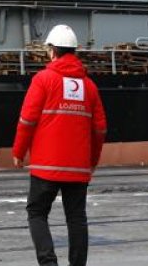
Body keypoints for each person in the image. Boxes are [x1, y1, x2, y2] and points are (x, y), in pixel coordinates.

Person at [13, 24, 107, 266]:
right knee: (76, 218)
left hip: (46, 166)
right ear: (74, 51)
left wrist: (18, 152)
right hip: (78, 168)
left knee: (36, 213)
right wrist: (91, 163)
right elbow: (100, 130)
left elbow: (27, 120)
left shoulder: (43, 80)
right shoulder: (90, 87)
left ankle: (48, 263)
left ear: (52, 50)